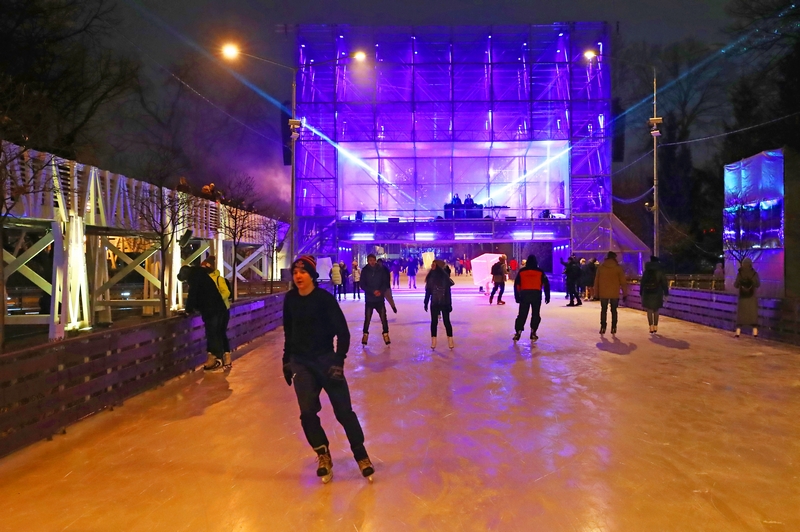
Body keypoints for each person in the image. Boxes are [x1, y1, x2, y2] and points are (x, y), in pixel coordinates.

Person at [282, 255, 374, 483]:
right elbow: (289, 332)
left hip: (325, 359)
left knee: (344, 411)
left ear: (312, 275)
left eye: (302, 272)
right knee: (307, 413)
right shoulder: (290, 300)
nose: (298, 276)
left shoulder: (324, 299)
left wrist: (338, 360)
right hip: (301, 362)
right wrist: (287, 360)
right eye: (295, 272)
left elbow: (342, 332)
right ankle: (323, 454)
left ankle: (361, 455)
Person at [178, 264, 230, 371]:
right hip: (219, 308)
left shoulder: (194, 277)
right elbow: (201, 294)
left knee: (212, 333)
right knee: (216, 333)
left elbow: (193, 294)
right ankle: (219, 358)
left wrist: (188, 310)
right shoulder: (202, 275)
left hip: (211, 310)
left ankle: (216, 359)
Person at [201, 256, 232, 368]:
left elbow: (226, 292)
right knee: (214, 333)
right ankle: (216, 357)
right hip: (211, 311)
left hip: (222, 310)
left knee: (219, 333)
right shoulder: (203, 280)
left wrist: (216, 300)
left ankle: (223, 356)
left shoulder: (219, 279)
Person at [512, 255, 551, 342]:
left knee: (522, 314)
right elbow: (546, 284)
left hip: (524, 294)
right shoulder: (540, 272)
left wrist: (517, 296)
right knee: (535, 314)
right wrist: (547, 296)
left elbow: (517, 285)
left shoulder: (522, 271)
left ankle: (518, 332)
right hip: (536, 294)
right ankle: (533, 332)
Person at [593, 251, 628, 334]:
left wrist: (596, 293)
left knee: (603, 310)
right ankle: (613, 327)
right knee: (614, 310)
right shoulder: (618, 268)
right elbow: (623, 282)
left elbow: (596, 281)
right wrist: (625, 293)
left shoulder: (601, 267)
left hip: (603, 293)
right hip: (614, 293)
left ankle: (603, 327)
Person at [424, 260, 456, 349]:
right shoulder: (430, 277)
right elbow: (428, 291)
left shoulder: (444, 278)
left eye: (434, 264)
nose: (432, 266)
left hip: (444, 303)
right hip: (434, 303)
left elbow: (448, 292)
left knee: (447, 322)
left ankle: (450, 340)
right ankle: (433, 341)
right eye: (432, 264)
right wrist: (426, 302)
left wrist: (449, 304)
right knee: (434, 322)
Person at [360, 254, 391, 345]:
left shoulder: (380, 270)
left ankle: (386, 334)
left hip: (379, 299)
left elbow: (385, 282)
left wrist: (380, 291)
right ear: (368, 261)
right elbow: (362, 284)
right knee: (367, 318)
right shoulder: (365, 271)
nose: (372, 262)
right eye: (370, 260)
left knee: (383, 318)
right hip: (369, 299)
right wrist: (372, 291)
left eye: (373, 260)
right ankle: (365, 334)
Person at [640, 255, 669, 334]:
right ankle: (656, 326)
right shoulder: (660, 271)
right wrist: (666, 293)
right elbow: (664, 283)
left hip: (647, 292)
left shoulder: (646, 271)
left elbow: (642, 283)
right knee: (656, 310)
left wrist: (641, 292)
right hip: (657, 292)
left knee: (649, 310)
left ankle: (651, 326)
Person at [734, 257, 761, 338]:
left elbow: (735, 285)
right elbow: (758, 284)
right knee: (752, 316)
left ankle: (738, 333)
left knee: (741, 316)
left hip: (742, 298)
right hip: (752, 297)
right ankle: (755, 333)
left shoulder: (740, 273)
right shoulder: (754, 273)